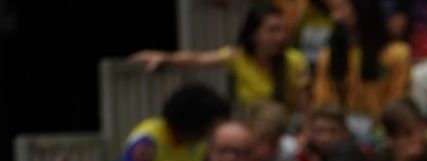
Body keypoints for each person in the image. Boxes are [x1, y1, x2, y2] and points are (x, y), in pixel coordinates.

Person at [132, 3, 308, 110]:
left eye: (283, 30)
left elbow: (305, 106)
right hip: (252, 133)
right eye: (273, 30)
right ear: (253, 34)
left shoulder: (295, 60)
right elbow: (198, 59)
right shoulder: (237, 56)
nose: (281, 37)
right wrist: (164, 57)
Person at [113, 84, 233, 161]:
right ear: (193, 124)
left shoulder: (207, 142)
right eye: (208, 128)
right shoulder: (147, 141)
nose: (210, 134)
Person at [312, 0, 412, 132]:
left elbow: (398, 103)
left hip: (384, 133)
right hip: (339, 134)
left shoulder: (397, 54)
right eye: (333, 11)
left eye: (341, 9)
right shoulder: (327, 57)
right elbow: (323, 103)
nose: (335, 17)